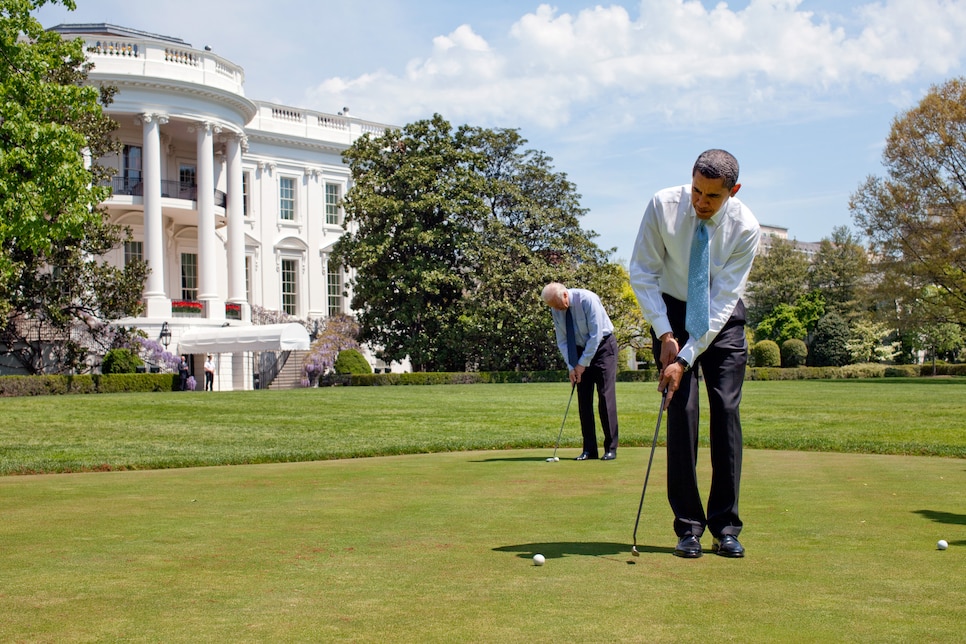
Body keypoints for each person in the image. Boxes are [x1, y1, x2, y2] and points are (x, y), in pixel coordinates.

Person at [629, 149, 760, 559]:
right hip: (669, 309)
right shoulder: (663, 205)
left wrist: (686, 357)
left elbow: (721, 303)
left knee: (725, 411)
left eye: (712, 197)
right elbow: (643, 272)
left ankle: (726, 527)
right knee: (681, 412)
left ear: (732, 191)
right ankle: (688, 527)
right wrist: (665, 331)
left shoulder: (746, 228)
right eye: (697, 191)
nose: (701, 202)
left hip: (720, 319)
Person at [541, 282, 619, 461]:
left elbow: (596, 335)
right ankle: (589, 450)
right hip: (577, 351)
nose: (558, 310)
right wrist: (571, 366)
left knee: (605, 397)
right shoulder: (556, 308)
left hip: (603, 349)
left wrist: (582, 364)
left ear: (565, 295)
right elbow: (562, 340)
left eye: (559, 305)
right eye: (554, 307)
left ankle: (611, 448)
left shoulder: (588, 299)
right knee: (583, 400)